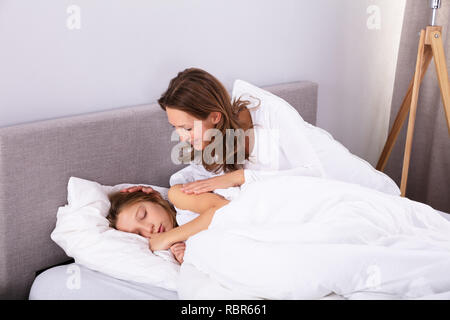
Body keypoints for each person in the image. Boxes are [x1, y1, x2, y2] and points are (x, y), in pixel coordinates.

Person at [109, 185, 230, 263]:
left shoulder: (178, 195)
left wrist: (168, 238)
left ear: (154, 197)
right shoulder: (175, 247)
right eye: (139, 233)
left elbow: (225, 209)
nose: (148, 229)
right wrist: (188, 259)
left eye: (143, 215)